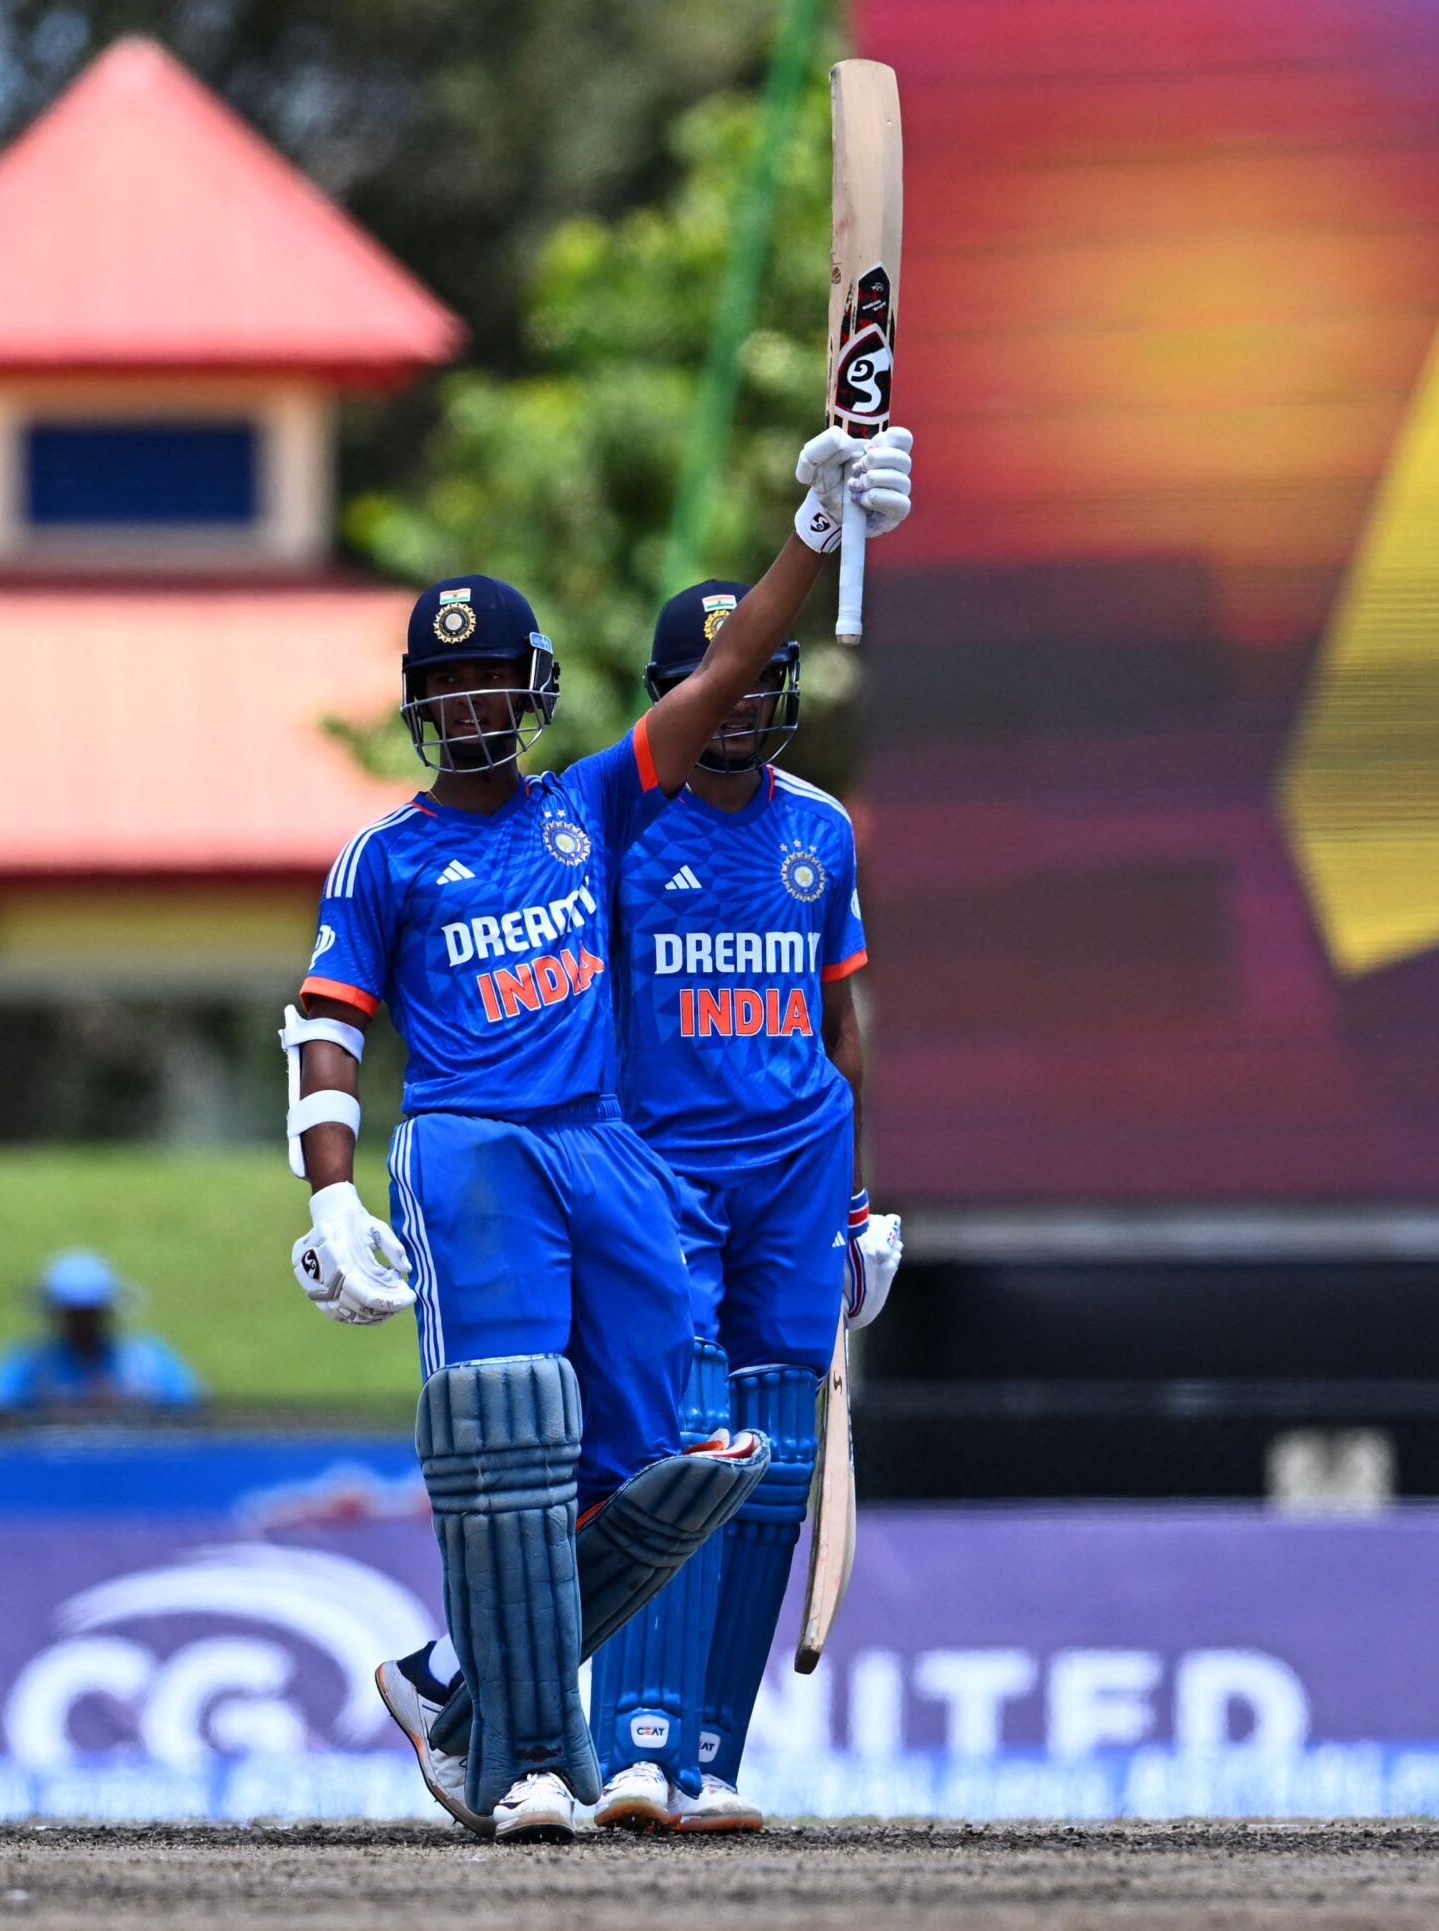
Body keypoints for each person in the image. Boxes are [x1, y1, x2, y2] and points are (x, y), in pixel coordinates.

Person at [280, 426, 914, 1844]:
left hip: (608, 1153)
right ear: (416, 706)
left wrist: (814, 527)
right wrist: (328, 1195)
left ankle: (451, 1685)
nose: (472, 706)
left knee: (657, 1477)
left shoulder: (593, 804)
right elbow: (323, 1021)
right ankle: (529, 1762)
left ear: (537, 686)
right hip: (475, 1145)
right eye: (446, 686)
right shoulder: (388, 856)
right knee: (511, 1435)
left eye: (492, 679)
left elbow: (728, 666)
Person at [585, 581, 903, 1832]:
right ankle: (634, 1744)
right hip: (662, 1173)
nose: (739, 706)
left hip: (799, 1177)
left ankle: (710, 1757)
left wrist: (861, 1203)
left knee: (774, 1468)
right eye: (718, 684)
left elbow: (840, 1026)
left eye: (762, 682)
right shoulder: (617, 825)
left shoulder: (819, 827)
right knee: (681, 1447)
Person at [0, 1250, 202, 1415]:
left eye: (90, 1313)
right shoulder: (31, 1363)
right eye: (73, 1313)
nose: (82, 1322)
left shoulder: (145, 1361)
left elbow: (193, 1412)